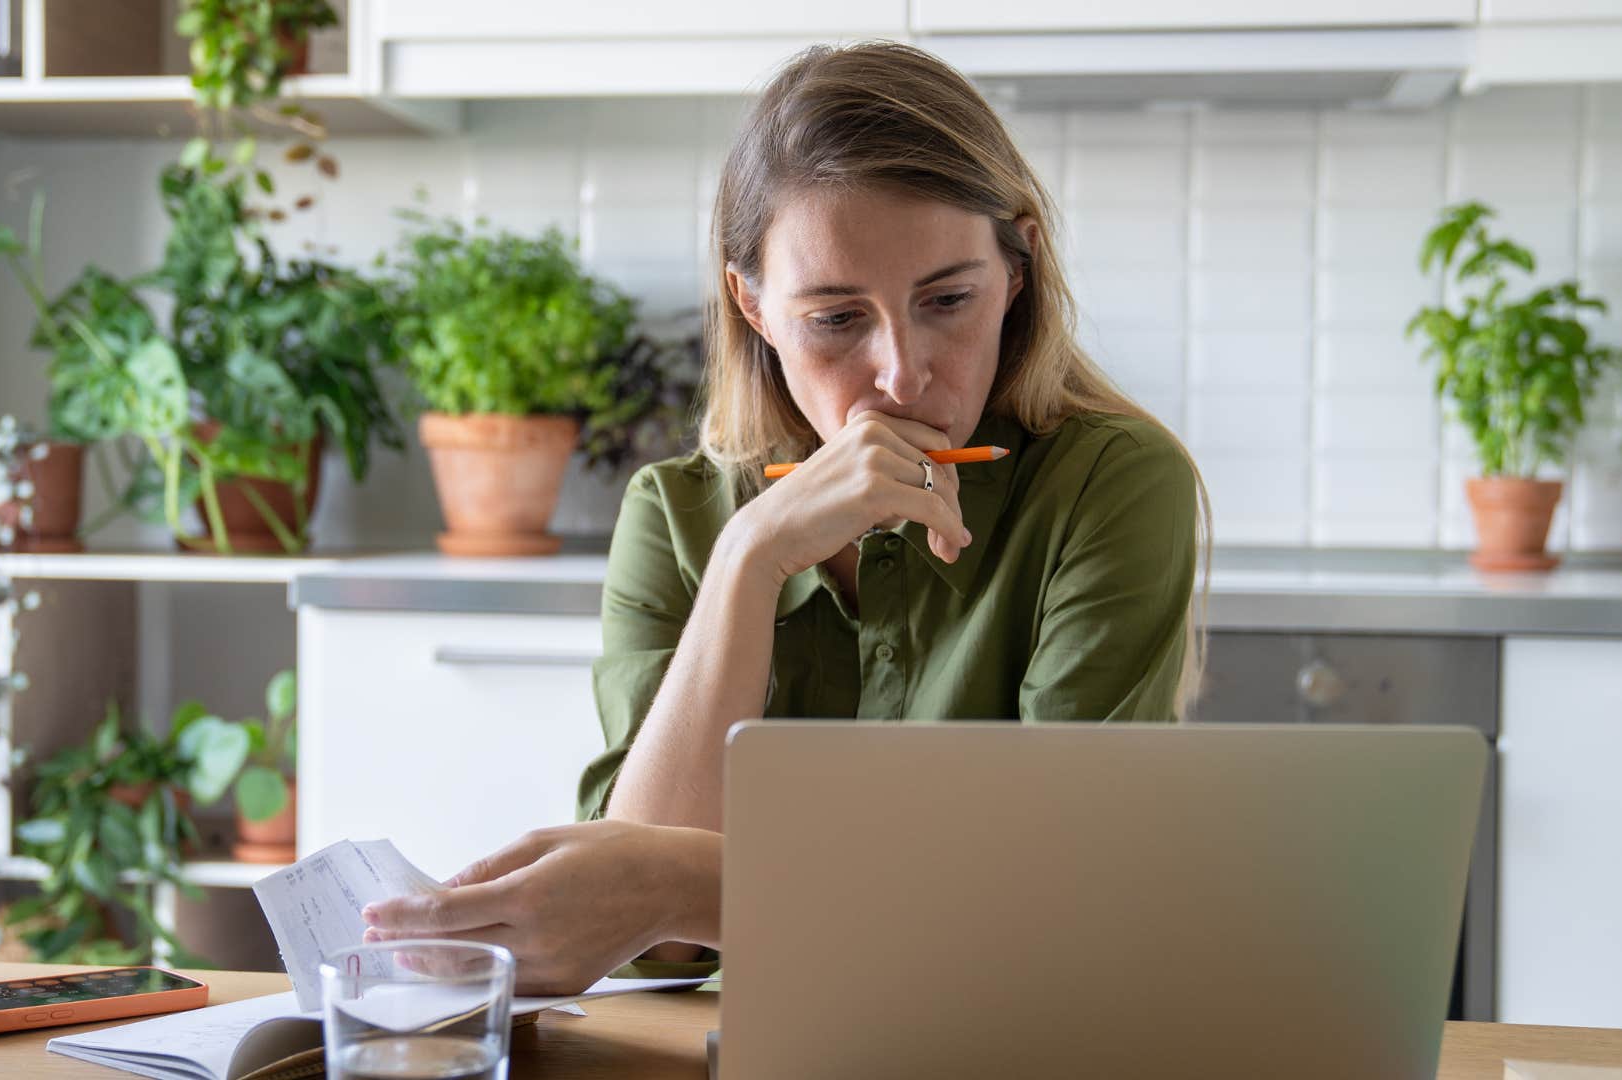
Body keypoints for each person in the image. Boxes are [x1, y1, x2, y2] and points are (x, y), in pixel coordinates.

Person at [362, 40, 1211, 995]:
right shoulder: (678, 515)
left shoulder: (1112, 483)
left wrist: (676, 883)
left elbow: (1059, 897)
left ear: (1018, 270)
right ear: (753, 306)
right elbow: (651, 948)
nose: (900, 373)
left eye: (947, 299)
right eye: (837, 319)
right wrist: (749, 561)